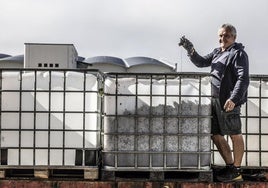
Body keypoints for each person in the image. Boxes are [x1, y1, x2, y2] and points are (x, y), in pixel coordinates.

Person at [179, 23, 249, 182]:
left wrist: (234, 98)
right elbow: (201, 62)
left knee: (234, 134)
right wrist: (190, 49)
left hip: (229, 100)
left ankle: (237, 171)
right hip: (215, 100)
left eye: (227, 35)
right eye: (221, 36)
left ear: (234, 37)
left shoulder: (238, 54)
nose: (222, 38)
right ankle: (230, 167)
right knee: (216, 134)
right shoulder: (218, 52)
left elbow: (243, 78)